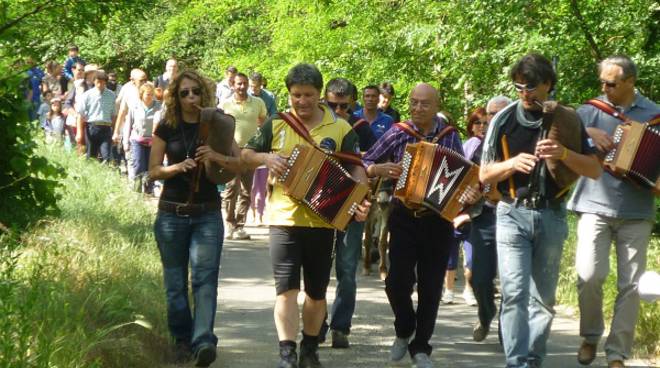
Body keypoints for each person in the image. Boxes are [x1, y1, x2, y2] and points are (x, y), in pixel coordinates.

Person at [241, 63, 370, 368]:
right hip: (283, 219)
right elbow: (244, 154)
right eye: (296, 95)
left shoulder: (341, 128)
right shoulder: (276, 124)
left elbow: (357, 168)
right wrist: (265, 158)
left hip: (322, 221)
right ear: (289, 94)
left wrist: (359, 200)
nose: (302, 101)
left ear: (319, 95)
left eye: (308, 95)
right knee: (286, 290)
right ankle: (286, 353)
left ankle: (309, 349)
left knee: (315, 292)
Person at [479, 53, 602, 368]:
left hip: (551, 214)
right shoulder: (502, 119)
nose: (525, 93)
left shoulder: (566, 119)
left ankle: (533, 358)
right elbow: (483, 174)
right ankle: (516, 362)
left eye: (531, 86)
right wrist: (510, 164)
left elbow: (594, 170)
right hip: (511, 213)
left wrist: (563, 153)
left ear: (548, 84)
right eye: (519, 87)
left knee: (543, 299)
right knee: (513, 291)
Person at [363, 83, 479, 368]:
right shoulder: (399, 132)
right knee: (396, 282)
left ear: (436, 105)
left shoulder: (449, 136)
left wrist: (468, 193)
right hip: (404, 215)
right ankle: (404, 328)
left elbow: (462, 176)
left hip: (438, 220)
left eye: (424, 104)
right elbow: (366, 160)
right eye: (413, 102)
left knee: (430, 286)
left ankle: (421, 347)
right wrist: (378, 169)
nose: (417, 108)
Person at [567, 55, 659, 368]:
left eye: (612, 83)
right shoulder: (589, 111)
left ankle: (617, 353)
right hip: (593, 204)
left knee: (630, 284)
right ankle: (590, 335)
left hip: (637, 210)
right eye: (602, 82)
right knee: (590, 275)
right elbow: (561, 139)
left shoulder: (655, 114)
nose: (604, 88)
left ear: (631, 82)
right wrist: (587, 133)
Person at [148, 69, 241, 367]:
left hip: (207, 215)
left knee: (204, 280)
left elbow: (239, 163)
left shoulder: (218, 123)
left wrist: (215, 155)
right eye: (184, 92)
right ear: (175, 96)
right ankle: (181, 340)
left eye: (195, 91)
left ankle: (203, 341)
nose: (190, 97)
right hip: (171, 214)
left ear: (205, 93)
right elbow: (153, 170)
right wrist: (176, 168)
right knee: (175, 284)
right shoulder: (166, 126)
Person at [319, 77, 376, 349]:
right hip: (318, 205)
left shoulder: (362, 128)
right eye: (332, 105)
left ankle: (341, 327)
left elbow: (375, 160)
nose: (338, 111)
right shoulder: (315, 125)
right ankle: (315, 325)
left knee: (346, 269)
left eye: (344, 106)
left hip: (352, 206)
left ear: (353, 103)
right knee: (316, 269)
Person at [468, 95, 511, 343]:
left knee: (511, 278)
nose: (494, 119)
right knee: (480, 278)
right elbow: (468, 180)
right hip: (484, 217)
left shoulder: (521, 142)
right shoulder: (479, 147)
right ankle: (486, 315)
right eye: (491, 114)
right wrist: (471, 192)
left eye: (500, 113)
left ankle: (508, 329)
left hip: (514, 215)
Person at [442, 107, 488, 306]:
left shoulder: (490, 145)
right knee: (451, 251)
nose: (481, 127)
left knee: (472, 253)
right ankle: (449, 290)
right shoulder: (469, 145)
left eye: (485, 123)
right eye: (477, 123)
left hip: (477, 207)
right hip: (457, 205)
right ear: (471, 126)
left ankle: (468, 289)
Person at [220, 72, 267, 240]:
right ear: (233, 85)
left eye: (244, 83)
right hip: (231, 152)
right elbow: (220, 128)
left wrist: (259, 143)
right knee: (231, 188)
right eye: (238, 83)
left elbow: (263, 122)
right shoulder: (225, 104)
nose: (242, 86)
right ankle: (229, 224)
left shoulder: (258, 102)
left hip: (250, 152)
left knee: (247, 190)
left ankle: (240, 226)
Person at [125, 82, 161, 193]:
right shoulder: (135, 106)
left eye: (151, 94)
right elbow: (128, 124)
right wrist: (125, 142)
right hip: (137, 139)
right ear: (142, 94)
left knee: (150, 167)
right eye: (147, 94)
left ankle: (148, 189)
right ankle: (137, 190)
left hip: (153, 141)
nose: (149, 96)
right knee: (139, 164)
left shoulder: (158, 107)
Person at [76, 70, 117, 162]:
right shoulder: (87, 95)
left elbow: (114, 115)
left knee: (106, 156)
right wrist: (79, 133)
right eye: (98, 82)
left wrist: (114, 132)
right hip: (92, 127)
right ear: (94, 81)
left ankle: (106, 172)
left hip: (106, 128)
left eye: (102, 82)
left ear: (106, 82)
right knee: (91, 156)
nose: (100, 84)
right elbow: (80, 114)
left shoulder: (111, 95)